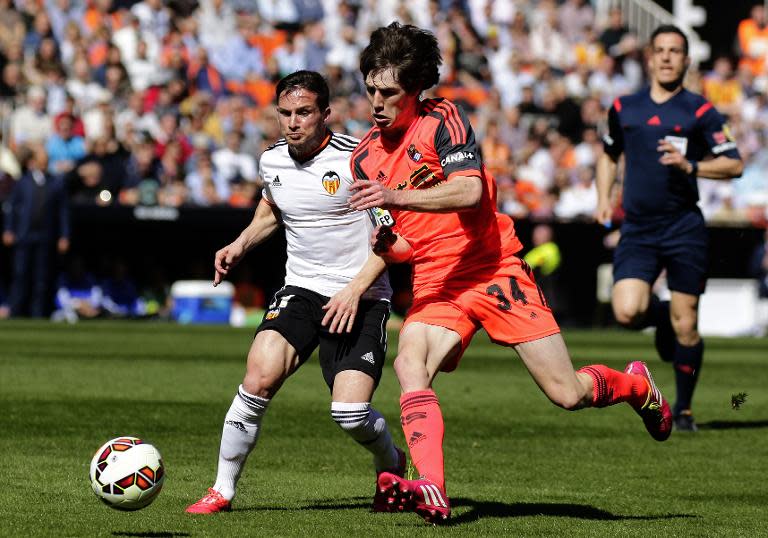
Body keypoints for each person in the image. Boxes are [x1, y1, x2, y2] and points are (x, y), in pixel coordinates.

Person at [347, 22, 672, 525]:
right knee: (410, 365)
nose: (376, 100)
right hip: (438, 280)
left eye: (388, 92)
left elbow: (470, 192)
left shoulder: (443, 121)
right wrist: (387, 243)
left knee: (567, 394)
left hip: (493, 267)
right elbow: (405, 243)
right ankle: (432, 486)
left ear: (415, 91)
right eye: (370, 88)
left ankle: (634, 385)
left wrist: (396, 197)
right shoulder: (364, 158)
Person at [185, 71, 404, 515]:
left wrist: (354, 290)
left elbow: (395, 240)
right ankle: (222, 490)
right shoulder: (272, 161)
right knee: (257, 378)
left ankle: (392, 461)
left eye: (303, 112)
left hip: (361, 296)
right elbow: (272, 208)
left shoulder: (358, 160)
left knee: (349, 414)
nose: (292, 122)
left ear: (326, 114)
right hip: (301, 288)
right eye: (284, 113)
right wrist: (239, 245)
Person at [595, 25, 743, 433]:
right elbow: (608, 155)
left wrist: (692, 166)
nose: (665, 57)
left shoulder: (700, 110)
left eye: (674, 51)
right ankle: (659, 319)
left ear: (686, 60)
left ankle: (683, 408)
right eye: (659, 50)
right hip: (639, 227)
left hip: (683, 227)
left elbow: (734, 162)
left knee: (688, 323)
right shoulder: (625, 107)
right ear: (648, 57)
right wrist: (603, 198)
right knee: (627, 311)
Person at [3, 144, 70, 318]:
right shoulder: (23, 182)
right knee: (21, 275)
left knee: (42, 278)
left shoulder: (55, 183)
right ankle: (17, 312)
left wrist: (64, 235)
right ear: (33, 161)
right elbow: (12, 208)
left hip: (45, 236)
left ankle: (39, 314)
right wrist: (9, 229)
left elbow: (63, 212)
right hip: (24, 236)